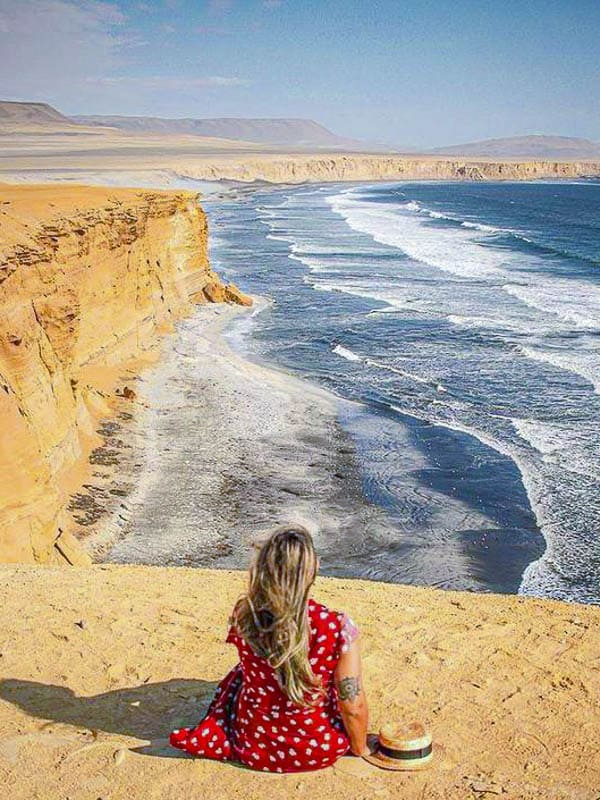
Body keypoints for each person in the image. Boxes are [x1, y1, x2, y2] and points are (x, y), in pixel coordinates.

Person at [170, 524, 369, 772]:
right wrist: (360, 748)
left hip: (253, 743)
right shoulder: (337, 626)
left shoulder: (245, 614)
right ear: (312, 570)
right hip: (317, 748)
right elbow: (352, 704)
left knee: (238, 676)